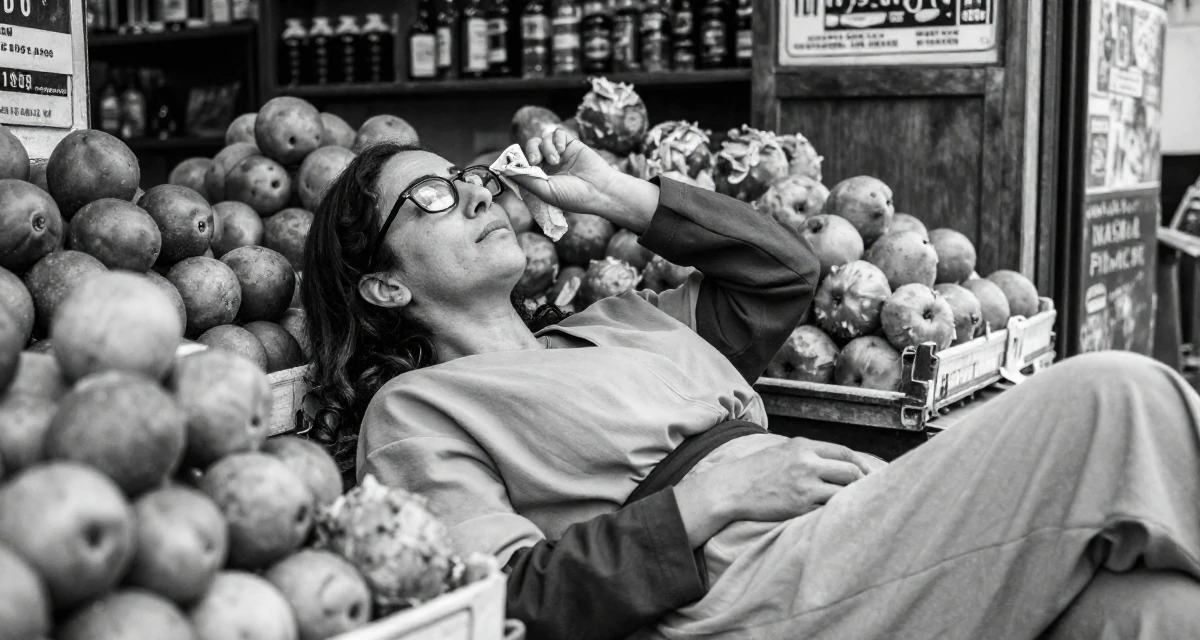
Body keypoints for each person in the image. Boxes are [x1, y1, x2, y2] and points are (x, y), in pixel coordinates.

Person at [301, 130, 1200, 640]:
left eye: (463, 177)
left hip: (838, 535)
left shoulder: (614, 326)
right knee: (1113, 398)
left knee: (1153, 615)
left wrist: (617, 194)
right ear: (385, 285)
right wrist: (704, 502)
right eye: (425, 198)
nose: (466, 192)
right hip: (743, 595)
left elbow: (782, 271)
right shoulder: (415, 411)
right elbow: (505, 601)